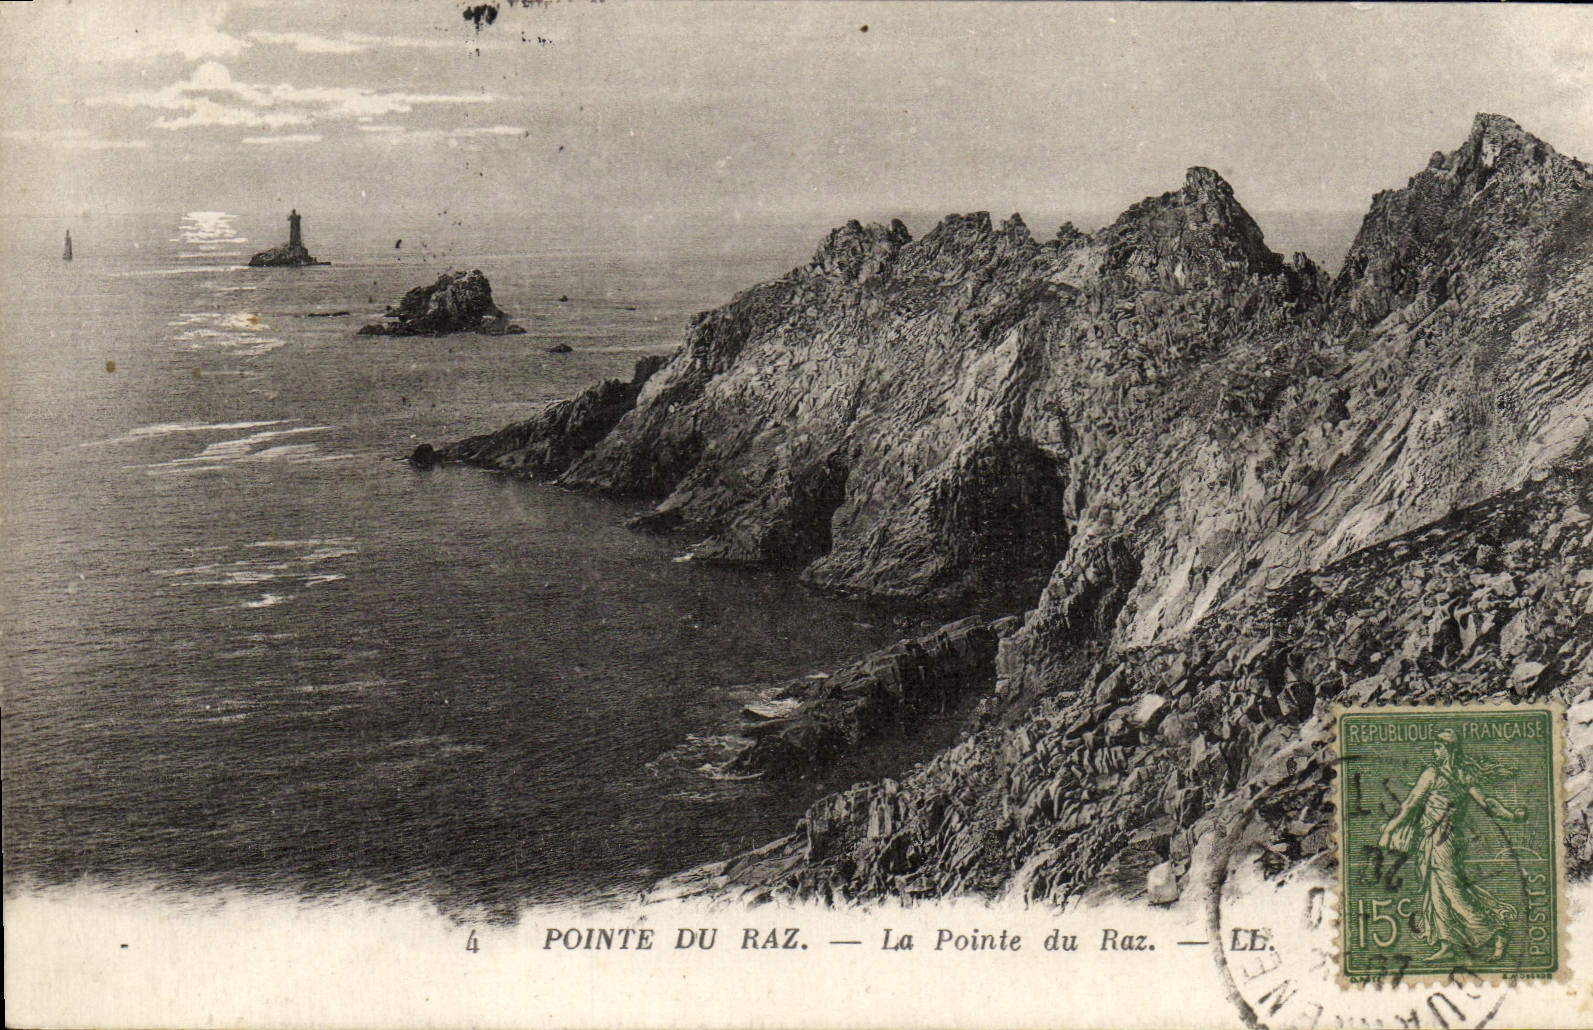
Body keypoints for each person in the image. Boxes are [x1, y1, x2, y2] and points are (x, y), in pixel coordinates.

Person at [1378, 728, 1525, 962]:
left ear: (1447, 750)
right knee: (1435, 889)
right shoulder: (1464, 776)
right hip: (1432, 839)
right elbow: (1488, 803)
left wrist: (1389, 829)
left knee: (1452, 891)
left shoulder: (1433, 774)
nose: (1435, 751)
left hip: (1442, 841)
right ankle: (1447, 943)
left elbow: (1410, 804)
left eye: (1438, 747)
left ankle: (1496, 932)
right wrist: (1511, 815)